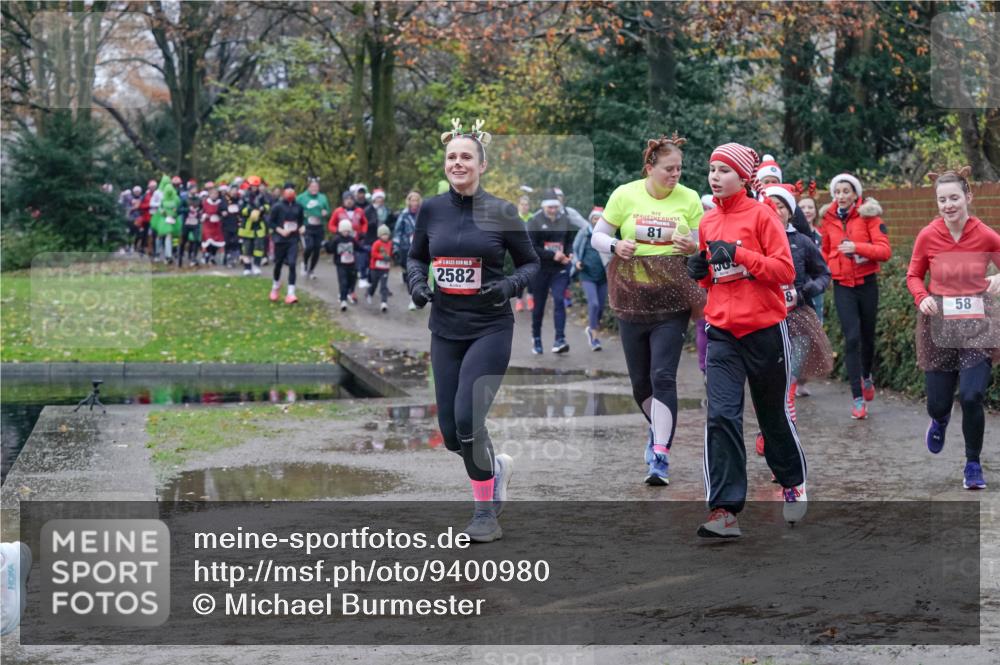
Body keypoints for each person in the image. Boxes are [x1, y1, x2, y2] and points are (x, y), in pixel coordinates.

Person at [407, 118, 539, 542]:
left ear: (482, 165)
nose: (458, 163)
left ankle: (485, 515)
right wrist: (415, 283)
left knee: (468, 419)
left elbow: (531, 264)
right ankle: (495, 470)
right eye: (452, 157)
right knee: (451, 434)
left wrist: (508, 286)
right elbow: (414, 258)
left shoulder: (502, 211)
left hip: (490, 328)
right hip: (445, 329)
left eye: (466, 157)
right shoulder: (430, 209)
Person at [687, 142, 806, 538]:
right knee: (721, 416)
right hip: (721, 331)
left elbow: (784, 270)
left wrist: (741, 253)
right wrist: (700, 269)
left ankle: (791, 482)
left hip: (764, 331)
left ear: (742, 177)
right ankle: (724, 511)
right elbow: (711, 279)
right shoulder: (706, 222)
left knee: (771, 416)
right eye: (711, 170)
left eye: (723, 171)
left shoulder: (763, 215)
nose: (714, 177)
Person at [591, 134, 706, 485]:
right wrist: (616, 244)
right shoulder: (625, 194)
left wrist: (694, 245)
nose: (676, 175)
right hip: (631, 298)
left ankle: (660, 455)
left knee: (663, 377)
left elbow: (705, 243)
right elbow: (598, 235)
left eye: (680, 169)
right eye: (669, 169)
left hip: (672, 300)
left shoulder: (689, 199)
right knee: (641, 385)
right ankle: (657, 430)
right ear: (650, 169)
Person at [906, 167, 1000, 490]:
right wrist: (921, 298)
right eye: (942, 199)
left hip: (978, 326)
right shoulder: (928, 235)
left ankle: (973, 464)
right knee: (938, 402)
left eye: (954, 198)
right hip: (940, 327)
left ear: (968, 197)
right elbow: (913, 275)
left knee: (973, 396)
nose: (948, 205)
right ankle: (940, 419)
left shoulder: (985, 234)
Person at [753, 184, 833, 457]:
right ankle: (768, 430)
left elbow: (824, 274)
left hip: (797, 318)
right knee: (768, 381)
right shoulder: (755, 240)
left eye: (781, 206)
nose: (775, 211)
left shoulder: (803, 242)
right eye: (769, 205)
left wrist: (808, 289)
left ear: (790, 211)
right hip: (763, 319)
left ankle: (785, 451)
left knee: (788, 383)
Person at [819, 173, 891, 420]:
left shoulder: (869, 216)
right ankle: (857, 399)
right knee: (851, 339)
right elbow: (825, 250)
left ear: (855, 194)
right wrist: (830, 265)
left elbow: (884, 251)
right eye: (837, 192)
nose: (841, 196)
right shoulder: (827, 218)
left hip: (867, 284)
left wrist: (857, 248)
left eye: (846, 191)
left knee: (867, 336)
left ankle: (867, 376)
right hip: (842, 286)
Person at [526, 189, 578, 354]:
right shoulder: (535, 221)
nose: (553, 210)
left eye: (555, 207)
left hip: (559, 269)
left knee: (559, 300)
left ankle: (560, 339)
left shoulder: (565, 220)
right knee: (539, 307)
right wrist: (552, 254)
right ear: (544, 207)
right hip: (540, 269)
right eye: (550, 208)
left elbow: (569, 240)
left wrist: (569, 253)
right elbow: (531, 248)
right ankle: (537, 339)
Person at [572, 206, 610, 351]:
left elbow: (613, 250)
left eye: (599, 218)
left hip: (603, 276)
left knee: (600, 306)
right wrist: (577, 262)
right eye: (595, 218)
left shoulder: (607, 234)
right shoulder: (584, 233)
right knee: (593, 304)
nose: (597, 220)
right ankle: (594, 336)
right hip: (587, 274)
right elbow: (575, 250)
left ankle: (592, 328)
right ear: (591, 219)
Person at [267, 184, 304, 304]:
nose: (290, 193)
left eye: (292, 190)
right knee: (278, 264)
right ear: (284, 192)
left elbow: (302, 221)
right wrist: (280, 231)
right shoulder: (277, 206)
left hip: (293, 239)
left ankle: (291, 293)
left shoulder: (299, 206)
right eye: (288, 190)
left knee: (292, 264)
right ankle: (275, 287)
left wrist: (302, 227)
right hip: (280, 239)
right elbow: (270, 222)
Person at [298, 178, 331, 280]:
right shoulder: (301, 198)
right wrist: (300, 225)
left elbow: (328, 210)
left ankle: (311, 270)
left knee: (317, 249)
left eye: (316, 187)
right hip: (307, 226)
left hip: (319, 226)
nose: (314, 189)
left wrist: (326, 213)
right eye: (312, 187)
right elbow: (295, 211)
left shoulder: (322, 197)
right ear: (308, 187)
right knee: (309, 246)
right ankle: (304, 262)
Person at [393, 191, 421, 309]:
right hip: (406, 247)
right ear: (408, 201)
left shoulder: (423, 213)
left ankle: (416, 298)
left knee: (418, 273)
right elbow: (397, 231)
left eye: (416, 200)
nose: (414, 202)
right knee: (409, 272)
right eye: (412, 200)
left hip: (420, 247)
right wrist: (395, 247)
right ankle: (413, 298)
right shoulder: (404, 215)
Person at [239, 175, 270, 275]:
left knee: (259, 248)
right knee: (246, 248)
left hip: (259, 226)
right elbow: (240, 210)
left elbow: (267, 206)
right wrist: (249, 211)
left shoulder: (262, 196)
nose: (255, 188)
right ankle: (247, 268)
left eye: (256, 186)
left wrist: (262, 209)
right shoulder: (244, 196)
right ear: (249, 186)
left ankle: (256, 266)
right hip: (247, 226)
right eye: (253, 186)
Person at [333, 219, 362, 311]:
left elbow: (358, 247)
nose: (346, 232)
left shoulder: (351, 239)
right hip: (341, 264)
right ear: (340, 230)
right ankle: (343, 300)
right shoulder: (336, 239)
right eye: (344, 230)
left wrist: (368, 250)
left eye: (348, 231)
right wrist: (325, 245)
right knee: (343, 281)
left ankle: (348, 293)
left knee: (352, 280)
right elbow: (330, 248)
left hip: (351, 264)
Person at [368, 225, 393, 312]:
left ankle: (384, 303)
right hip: (375, 268)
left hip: (385, 268)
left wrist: (392, 257)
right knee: (374, 283)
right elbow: (373, 254)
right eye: (383, 234)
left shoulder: (390, 243)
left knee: (384, 285)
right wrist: (382, 257)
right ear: (379, 235)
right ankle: (370, 293)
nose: (385, 236)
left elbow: (391, 253)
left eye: (386, 234)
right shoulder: (377, 243)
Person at [199, 185, 225, 264]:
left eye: (216, 194)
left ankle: (212, 256)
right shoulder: (205, 202)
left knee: (216, 242)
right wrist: (205, 216)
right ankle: (206, 255)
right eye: (212, 194)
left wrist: (221, 215)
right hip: (208, 224)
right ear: (209, 195)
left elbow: (222, 211)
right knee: (208, 240)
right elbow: (202, 212)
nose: (214, 195)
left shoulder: (220, 202)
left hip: (217, 225)